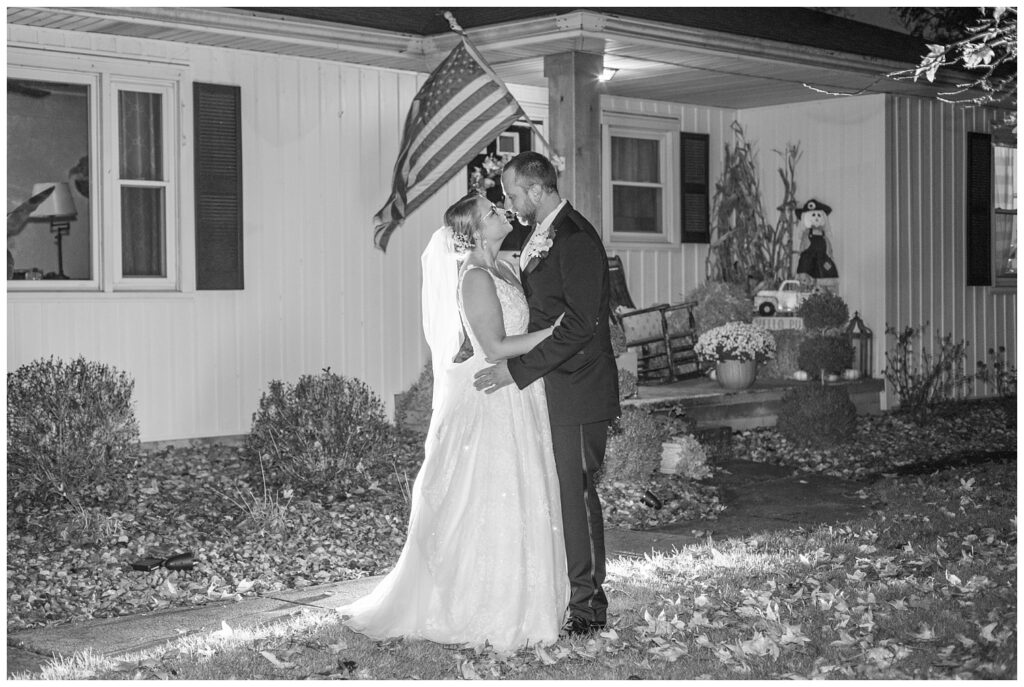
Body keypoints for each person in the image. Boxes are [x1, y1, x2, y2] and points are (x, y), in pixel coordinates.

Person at [338, 193, 568, 651]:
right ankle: (481, 606)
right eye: (491, 212)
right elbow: (497, 346)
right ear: (475, 230)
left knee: (526, 492)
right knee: (490, 496)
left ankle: (532, 600)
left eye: (498, 208)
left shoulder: (507, 265)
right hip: (493, 399)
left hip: (521, 395)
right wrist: (558, 332)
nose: (501, 213)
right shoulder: (475, 278)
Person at [473, 151, 620, 638]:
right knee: (559, 495)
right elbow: (532, 308)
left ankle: (589, 607)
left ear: (537, 190)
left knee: (577, 496)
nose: (510, 204)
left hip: (578, 387)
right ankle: (565, 591)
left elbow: (579, 325)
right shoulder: (538, 234)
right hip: (551, 388)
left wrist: (518, 370)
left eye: (514, 194)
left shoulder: (575, 239)